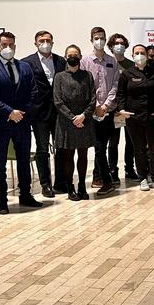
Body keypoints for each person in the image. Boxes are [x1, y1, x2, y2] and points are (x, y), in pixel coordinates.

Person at [0, 31, 43, 215]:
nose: (8, 48)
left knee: (23, 160)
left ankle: (26, 194)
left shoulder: (24, 67)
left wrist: (22, 112)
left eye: (11, 45)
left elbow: (33, 92)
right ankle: (2, 199)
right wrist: (9, 112)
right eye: (4, 45)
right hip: (0, 122)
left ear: (15, 46)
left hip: (22, 121)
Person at [115, 44, 154, 191]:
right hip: (134, 118)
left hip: (153, 117)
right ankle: (143, 178)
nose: (140, 56)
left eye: (142, 53)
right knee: (139, 149)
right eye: (137, 53)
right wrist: (122, 110)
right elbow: (120, 94)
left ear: (146, 55)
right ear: (132, 56)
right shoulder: (126, 74)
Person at [22, 30, 66, 198]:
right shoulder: (27, 63)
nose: (45, 43)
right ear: (35, 43)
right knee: (42, 149)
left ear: (52, 43)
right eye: (42, 40)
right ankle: (45, 184)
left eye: (48, 40)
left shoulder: (61, 61)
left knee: (60, 148)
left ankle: (60, 182)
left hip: (59, 112)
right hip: (39, 113)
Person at [53, 45, 96, 201]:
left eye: (76, 55)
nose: (73, 57)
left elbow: (93, 99)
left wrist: (83, 115)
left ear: (80, 57)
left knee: (83, 155)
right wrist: (73, 118)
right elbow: (58, 101)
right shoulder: (59, 77)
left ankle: (82, 186)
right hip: (66, 122)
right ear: (65, 57)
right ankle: (70, 187)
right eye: (70, 55)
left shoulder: (87, 75)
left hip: (84, 120)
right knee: (68, 156)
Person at [80, 27, 119, 195]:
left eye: (102, 38)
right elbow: (84, 86)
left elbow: (115, 85)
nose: (99, 41)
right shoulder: (85, 62)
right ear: (91, 40)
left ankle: (106, 180)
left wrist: (106, 105)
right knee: (98, 148)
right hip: (92, 112)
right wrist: (95, 106)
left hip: (108, 111)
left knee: (104, 146)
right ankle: (105, 180)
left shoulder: (112, 61)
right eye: (96, 38)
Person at [105, 33, 138, 182]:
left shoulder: (131, 64)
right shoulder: (108, 62)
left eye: (122, 43)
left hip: (128, 107)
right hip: (113, 108)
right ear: (111, 46)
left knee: (131, 141)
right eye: (116, 43)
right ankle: (113, 170)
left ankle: (129, 169)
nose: (119, 46)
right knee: (113, 141)